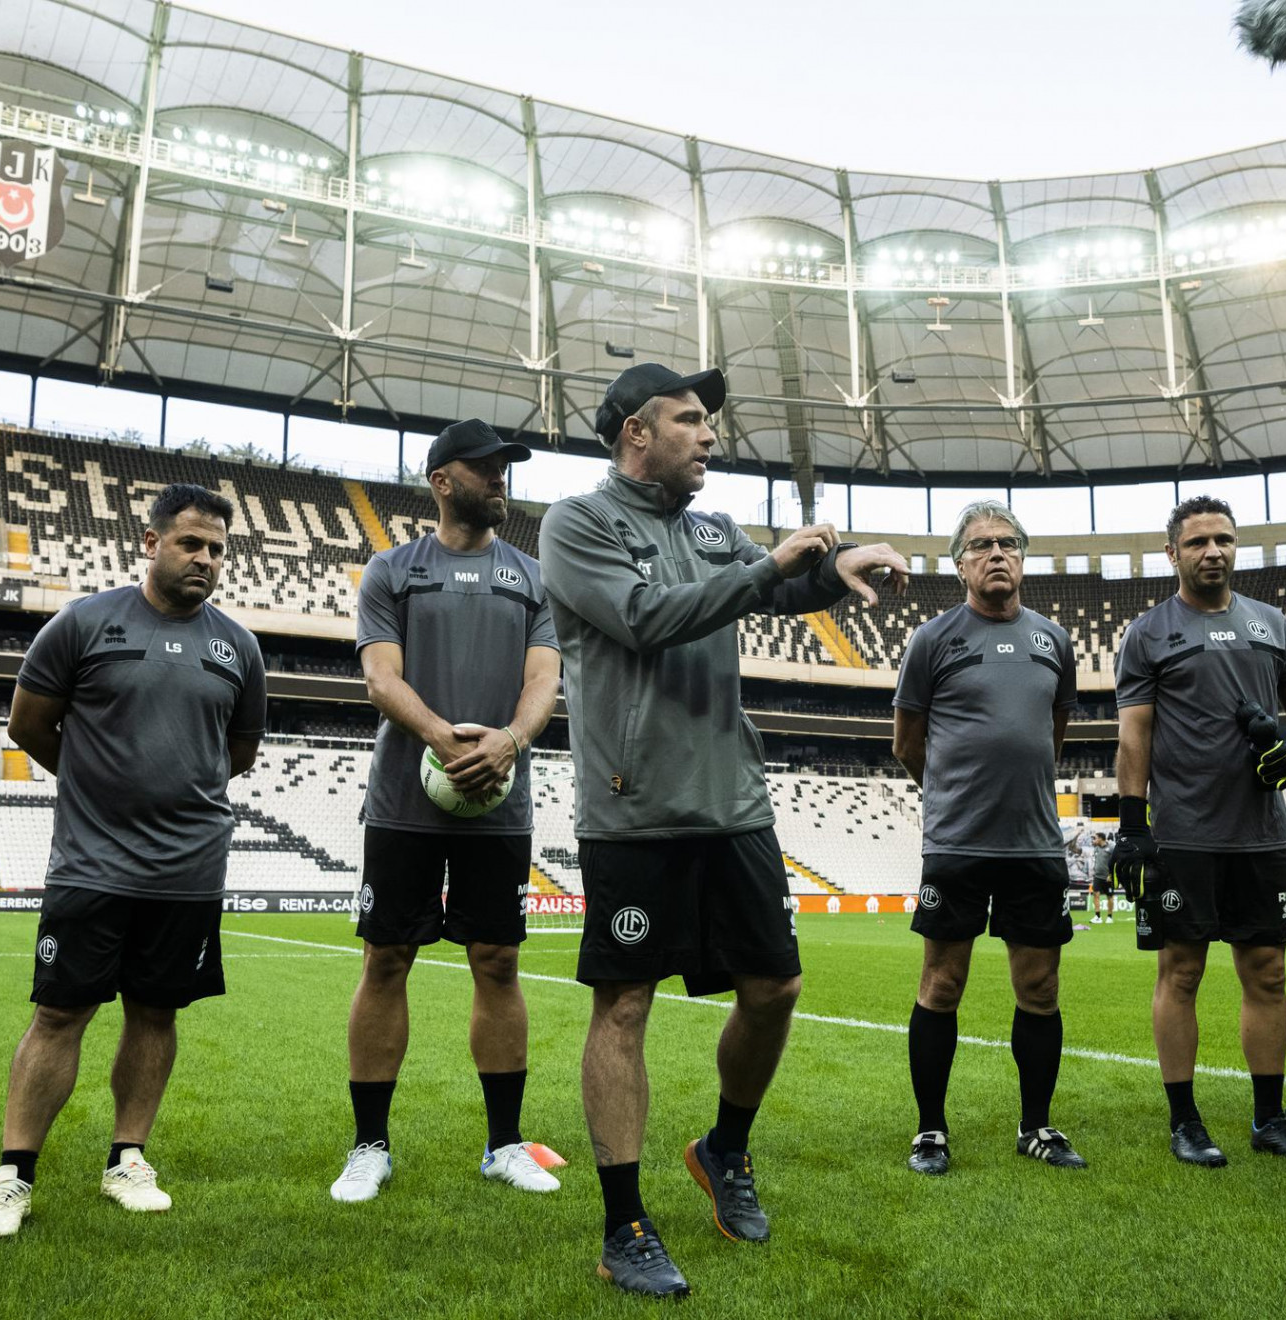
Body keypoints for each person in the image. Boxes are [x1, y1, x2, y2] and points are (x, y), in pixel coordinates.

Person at [539, 362, 908, 1297]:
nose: (709, 436)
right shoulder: (578, 524)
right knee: (624, 1007)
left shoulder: (709, 527)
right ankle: (624, 1224)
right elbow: (642, 617)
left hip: (732, 800)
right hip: (634, 810)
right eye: (690, 420)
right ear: (636, 432)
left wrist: (832, 571)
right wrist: (767, 568)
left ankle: (723, 1149)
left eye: (709, 422)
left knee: (776, 987)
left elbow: (777, 594)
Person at [0, 484, 266, 1238]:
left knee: (156, 1012)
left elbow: (238, 753)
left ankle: (128, 1158)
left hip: (189, 868)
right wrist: (99, 785)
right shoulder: (83, 623)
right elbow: (30, 724)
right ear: (152, 542)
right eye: (190, 543)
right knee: (60, 1012)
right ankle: (12, 1174)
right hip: (91, 864)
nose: (205, 560)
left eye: (217, 550)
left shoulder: (239, 647)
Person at [332, 419, 562, 1203]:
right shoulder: (392, 571)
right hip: (405, 802)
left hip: (500, 803)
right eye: (487, 467)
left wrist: (509, 742)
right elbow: (380, 679)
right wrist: (444, 741)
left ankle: (504, 1143)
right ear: (441, 480)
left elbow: (544, 681)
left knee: (497, 963)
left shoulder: (532, 577)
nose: (501, 479)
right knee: (386, 960)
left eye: (506, 469)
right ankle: (369, 1146)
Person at [1113, 494, 1286, 1167]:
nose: (1214, 552)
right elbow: (1134, 733)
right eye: (1199, 541)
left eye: (1225, 540)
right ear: (1172, 552)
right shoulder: (1147, 632)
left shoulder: (1271, 623)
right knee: (1181, 972)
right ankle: (1185, 1121)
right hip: (1183, 834)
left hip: (1261, 833)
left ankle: (1270, 1119)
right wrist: (1132, 826)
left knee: (1267, 972)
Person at [892, 500, 1085, 1176]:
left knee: (1040, 987)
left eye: (1008, 543)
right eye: (981, 545)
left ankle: (1036, 1126)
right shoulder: (932, 639)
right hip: (959, 842)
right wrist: (954, 795)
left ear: (1022, 557)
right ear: (960, 564)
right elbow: (907, 743)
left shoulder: (1054, 640)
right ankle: (931, 1131)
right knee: (941, 983)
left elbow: (1053, 733)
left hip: (1034, 843)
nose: (996, 553)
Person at [1091, 833, 1118, 924]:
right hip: (1097, 876)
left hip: (1108, 877)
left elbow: (1116, 861)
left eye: (1095, 838)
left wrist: (1112, 875)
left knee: (1109, 896)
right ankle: (1097, 916)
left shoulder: (1111, 847)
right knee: (1096, 894)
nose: (1094, 840)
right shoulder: (1096, 848)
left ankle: (1109, 917)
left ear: (1101, 839)